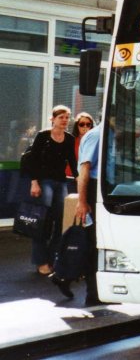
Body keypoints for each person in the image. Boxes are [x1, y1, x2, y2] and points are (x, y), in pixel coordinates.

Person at [55, 120, 103, 305]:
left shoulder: (107, 135)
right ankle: (91, 292)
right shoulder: (96, 135)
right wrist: (82, 201)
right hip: (93, 189)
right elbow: (84, 170)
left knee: (92, 242)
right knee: (91, 242)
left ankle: (65, 277)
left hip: (99, 189)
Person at [28, 105, 78, 276]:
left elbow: (72, 161)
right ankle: (41, 261)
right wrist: (34, 182)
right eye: (61, 117)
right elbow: (32, 160)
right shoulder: (43, 136)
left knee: (60, 222)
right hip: (44, 181)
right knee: (43, 221)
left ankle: (52, 260)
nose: (65, 120)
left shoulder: (70, 138)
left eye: (67, 117)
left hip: (60, 183)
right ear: (53, 119)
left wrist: (79, 178)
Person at [66, 112, 95, 191]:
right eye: (82, 124)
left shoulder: (94, 141)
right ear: (77, 126)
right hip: (71, 178)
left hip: (88, 179)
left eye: (88, 124)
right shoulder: (71, 140)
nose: (85, 127)